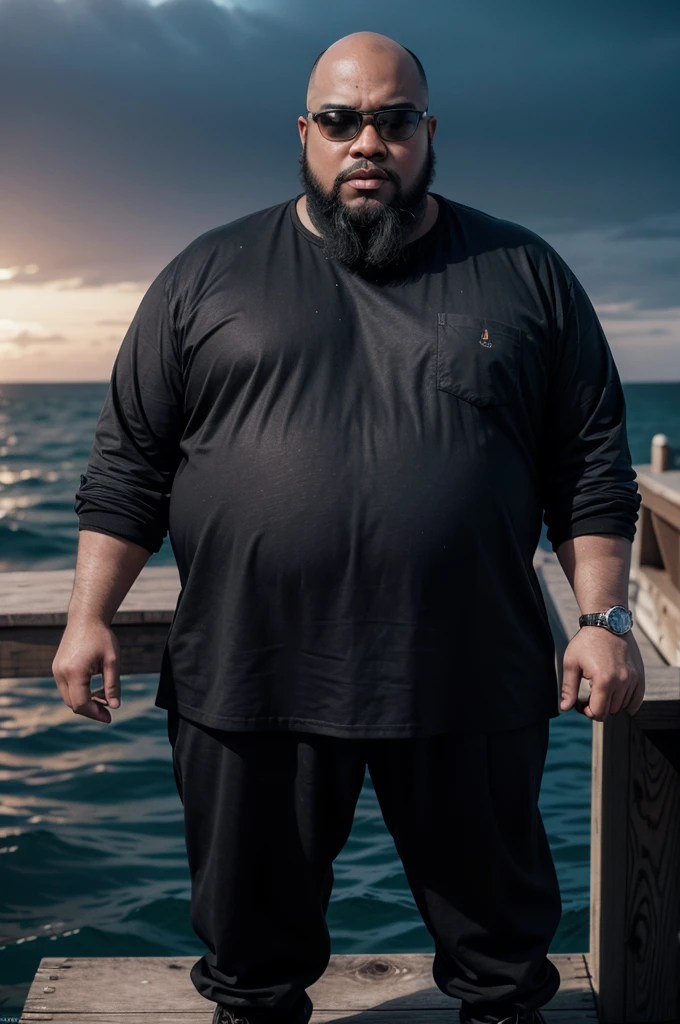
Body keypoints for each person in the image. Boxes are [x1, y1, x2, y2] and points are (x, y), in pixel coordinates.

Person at [53, 31, 645, 1024]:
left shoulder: (523, 272)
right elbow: (129, 467)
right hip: (249, 682)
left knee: (502, 971)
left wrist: (603, 620)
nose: (365, 141)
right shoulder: (206, 274)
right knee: (250, 971)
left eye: (392, 119)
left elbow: (587, 465)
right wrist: (87, 615)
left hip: (466, 678)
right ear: (304, 133)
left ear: (425, 131)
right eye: (339, 121)